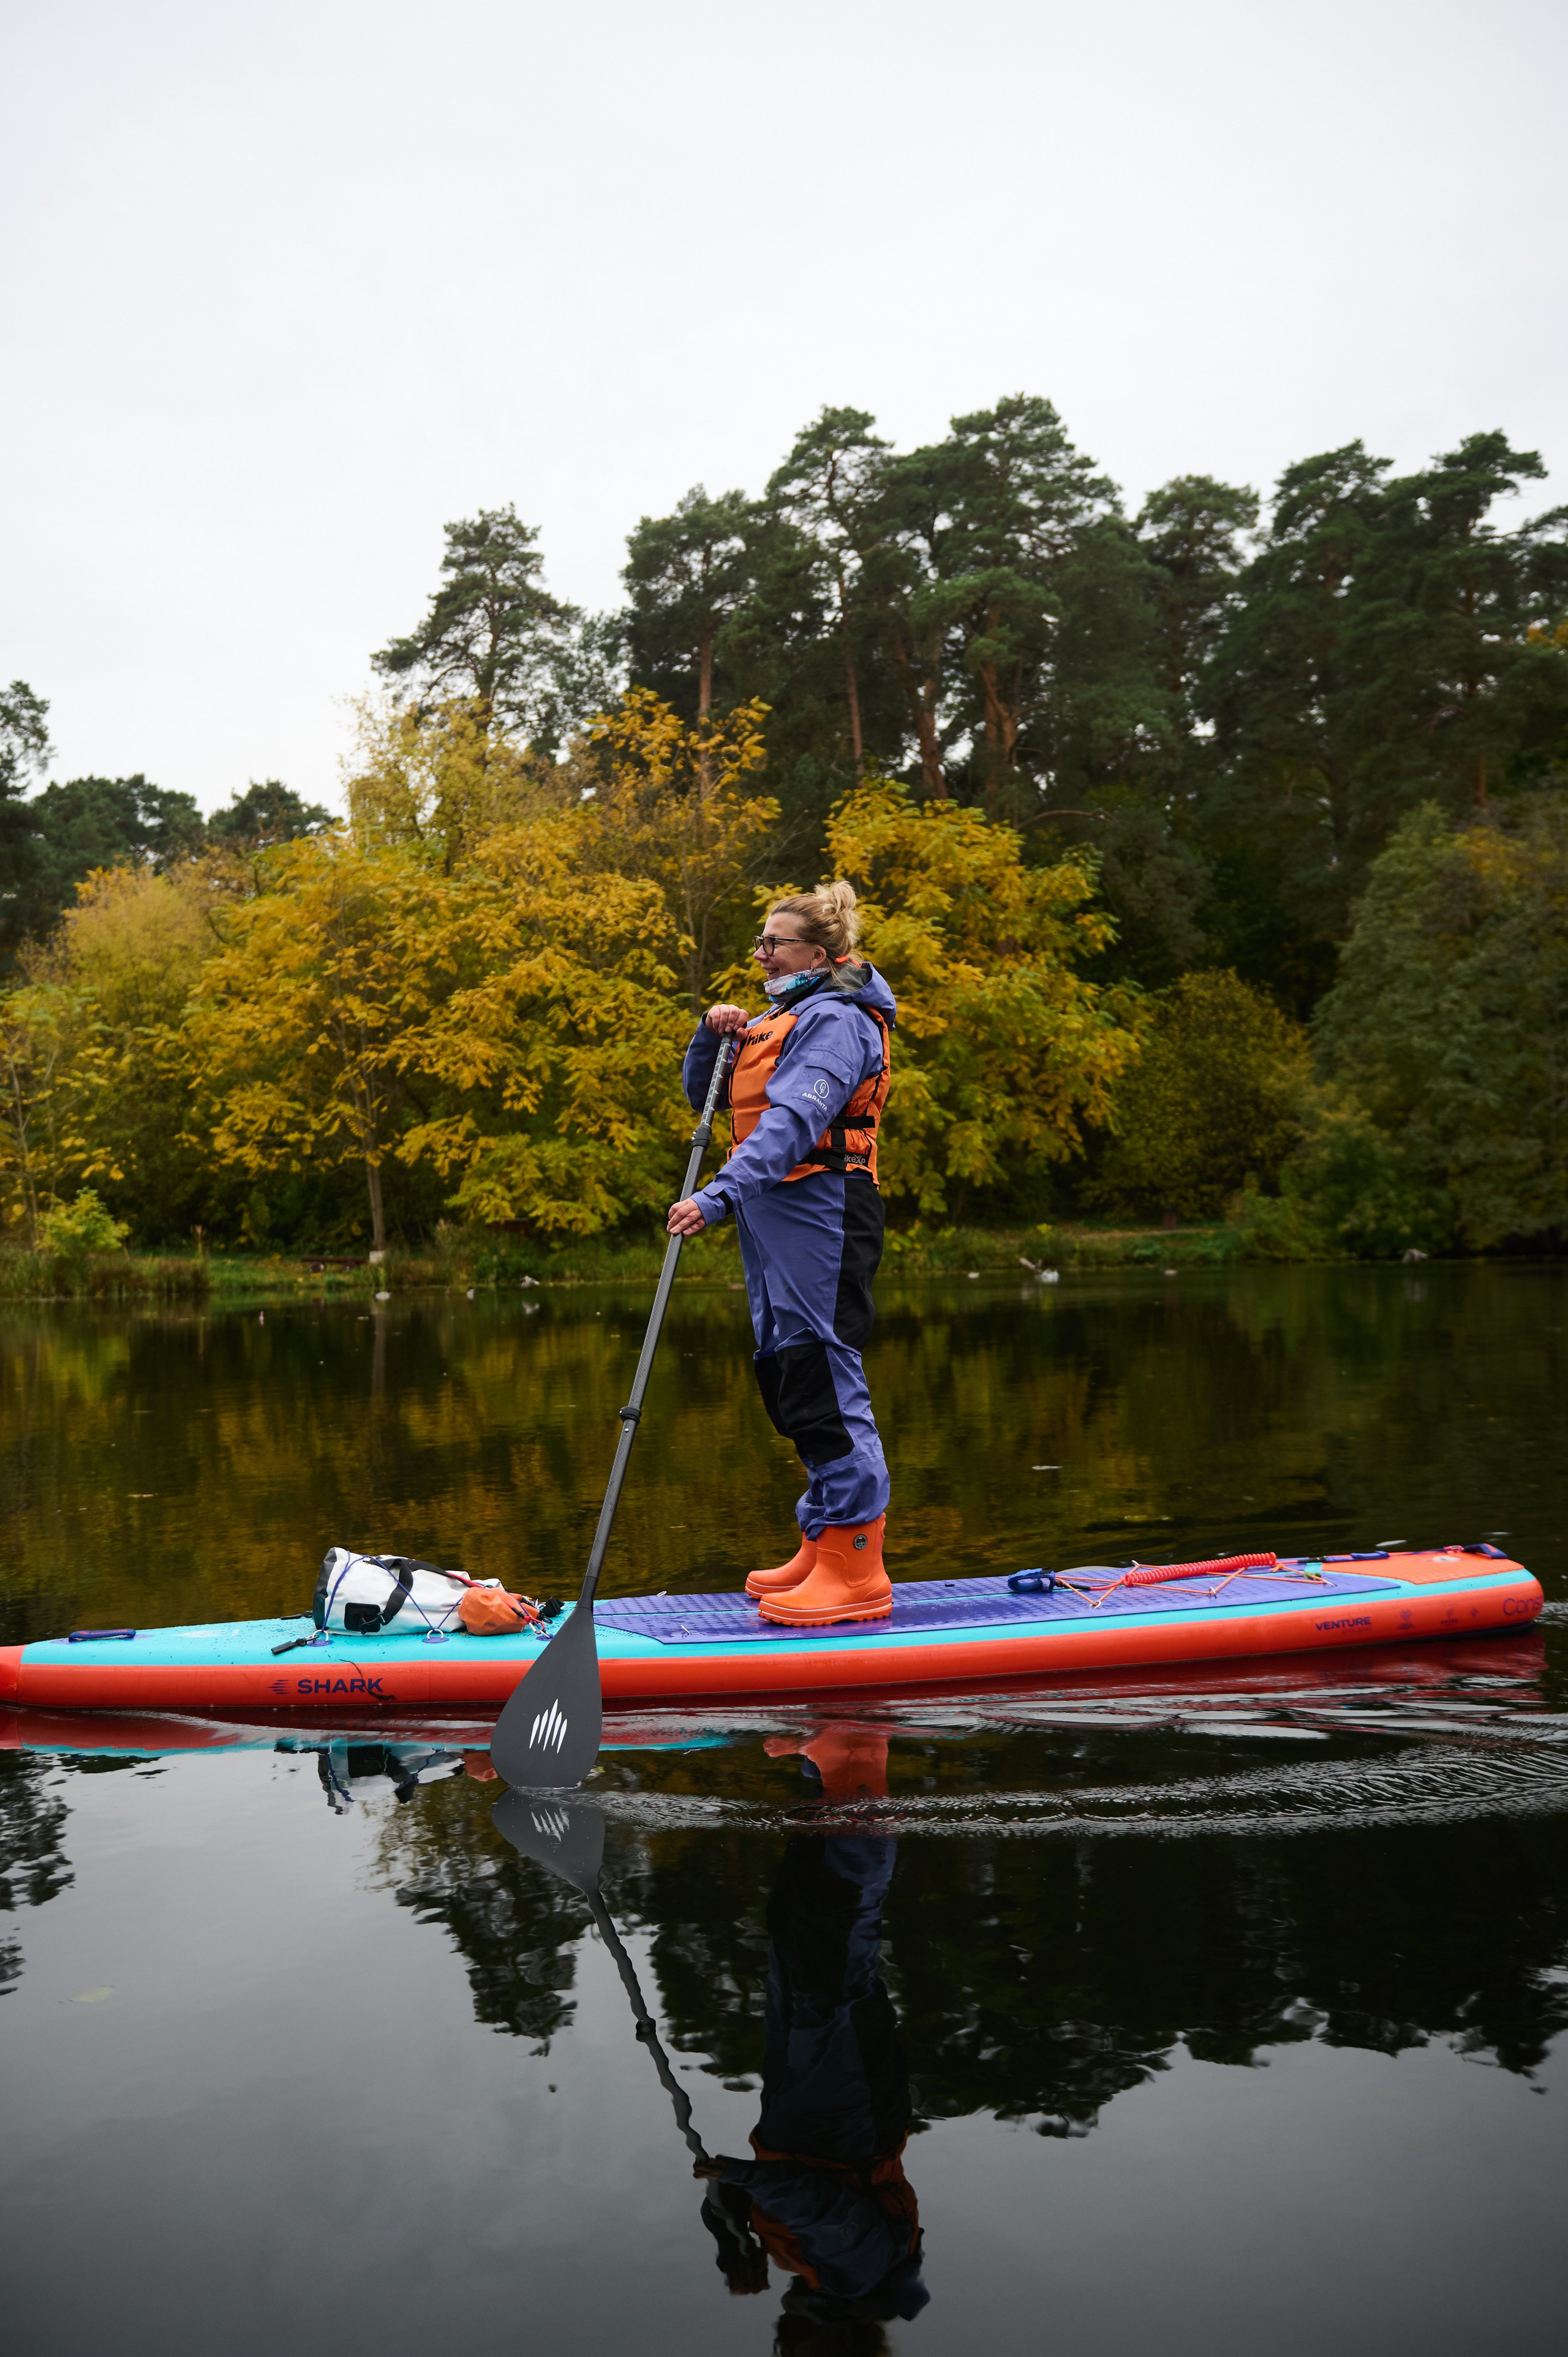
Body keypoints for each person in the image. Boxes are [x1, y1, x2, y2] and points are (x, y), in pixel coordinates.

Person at [669, 883, 897, 1626]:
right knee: (785, 1367)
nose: (760, 954)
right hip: (774, 1210)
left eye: (775, 943)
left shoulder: (836, 1021)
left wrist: (717, 1195)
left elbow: (794, 1122)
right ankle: (823, 1537)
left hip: (823, 1207)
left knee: (823, 1373)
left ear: (822, 955)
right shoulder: (780, 1016)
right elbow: (708, 1097)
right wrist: (712, 1035)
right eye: (760, 941)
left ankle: (858, 1564)